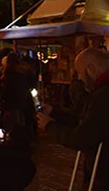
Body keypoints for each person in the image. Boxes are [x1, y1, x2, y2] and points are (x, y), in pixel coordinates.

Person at [38, 47, 109, 191]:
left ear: (91, 69)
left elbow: (82, 137)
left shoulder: (102, 96)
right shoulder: (101, 92)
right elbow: (88, 122)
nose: (80, 79)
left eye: (80, 73)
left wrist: (49, 126)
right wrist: (54, 113)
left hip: (103, 173)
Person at [0, 54, 35, 131]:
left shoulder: (9, 73)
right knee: (24, 121)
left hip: (12, 102)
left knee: (13, 123)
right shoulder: (26, 71)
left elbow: (7, 89)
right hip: (25, 100)